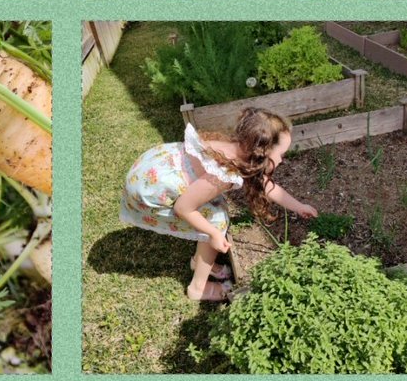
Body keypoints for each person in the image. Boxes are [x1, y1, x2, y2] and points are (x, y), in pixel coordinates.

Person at [120, 108, 317, 302]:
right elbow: (183, 208)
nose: (282, 159)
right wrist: (214, 234)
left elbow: (264, 184)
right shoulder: (223, 173)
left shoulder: (237, 149)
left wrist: (298, 206)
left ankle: (200, 262)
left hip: (154, 166)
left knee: (215, 208)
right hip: (149, 192)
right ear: (262, 151)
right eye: (281, 153)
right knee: (216, 222)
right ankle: (198, 288)